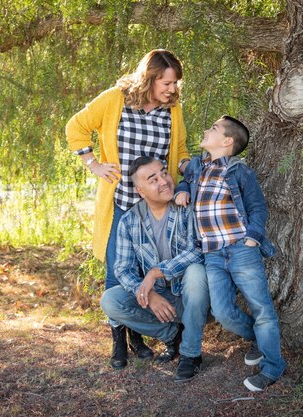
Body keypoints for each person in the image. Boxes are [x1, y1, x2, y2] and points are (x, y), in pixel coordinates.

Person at [66, 50, 191, 368]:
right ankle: (119, 343)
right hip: (121, 204)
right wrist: (93, 164)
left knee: (149, 273)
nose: (172, 89)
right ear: (149, 78)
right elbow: (76, 127)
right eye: (166, 82)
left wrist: (192, 171)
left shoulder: (172, 109)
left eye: (175, 83)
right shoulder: (115, 100)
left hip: (157, 210)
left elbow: (178, 150)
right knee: (116, 275)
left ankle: (139, 334)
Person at [175, 115, 286, 391]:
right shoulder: (199, 166)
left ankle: (273, 366)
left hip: (240, 249)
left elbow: (258, 207)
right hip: (213, 254)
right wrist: (181, 189)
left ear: (227, 141)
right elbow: (185, 176)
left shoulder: (239, 172)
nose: (205, 129)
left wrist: (253, 238)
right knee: (222, 311)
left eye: (212, 128)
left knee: (262, 309)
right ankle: (257, 338)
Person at [100, 156, 209, 382]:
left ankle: (191, 352)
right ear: (141, 191)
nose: (164, 181)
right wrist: (149, 294)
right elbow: (122, 268)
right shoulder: (129, 220)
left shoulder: (186, 207)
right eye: (153, 179)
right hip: (159, 299)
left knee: (196, 272)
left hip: (192, 297)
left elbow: (198, 251)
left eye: (164, 173)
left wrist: (155, 272)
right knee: (111, 300)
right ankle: (173, 335)